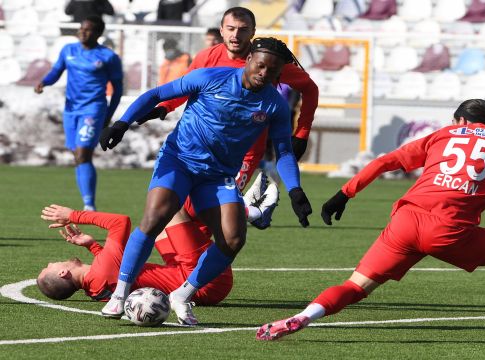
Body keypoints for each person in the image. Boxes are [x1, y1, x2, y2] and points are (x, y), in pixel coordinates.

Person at [256, 99, 485, 344]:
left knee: (356, 286)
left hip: (404, 221)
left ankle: (304, 316)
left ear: (460, 121)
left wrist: (344, 194)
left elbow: (387, 161)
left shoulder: (443, 134)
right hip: (448, 230)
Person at [98, 37, 313, 325]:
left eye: (273, 72)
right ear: (249, 59)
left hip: (218, 176)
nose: (264, 74)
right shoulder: (211, 78)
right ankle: (120, 294)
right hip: (179, 161)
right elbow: (157, 94)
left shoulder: (275, 105)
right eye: (261, 66)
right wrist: (123, 123)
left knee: (233, 239)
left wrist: (296, 190)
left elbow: (284, 152)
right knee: (154, 218)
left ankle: (182, 295)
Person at [137, 7, 319, 192]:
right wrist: (166, 106)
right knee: (187, 212)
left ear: (253, 32)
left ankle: (250, 209)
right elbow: (186, 88)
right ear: (222, 29)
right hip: (201, 150)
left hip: (244, 153)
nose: (236, 35)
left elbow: (310, 89)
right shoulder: (206, 57)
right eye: (231, 28)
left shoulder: (265, 60)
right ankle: (253, 210)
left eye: (243, 29)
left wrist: (302, 134)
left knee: (214, 213)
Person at [37, 204, 232, 305]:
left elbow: (114, 268)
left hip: (191, 281)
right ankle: (243, 209)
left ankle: (215, 215)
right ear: (63, 273)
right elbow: (120, 222)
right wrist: (74, 215)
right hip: (206, 276)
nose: (51, 262)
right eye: (49, 267)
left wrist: (92, 245)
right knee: (168, 206)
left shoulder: (94, 288)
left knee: (159, 226)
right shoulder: (103, 270)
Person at [35, 16, 123, 211]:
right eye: (81, 28)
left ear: (98, 34)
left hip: (93, 109)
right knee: (77, 155)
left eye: (88, 30)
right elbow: (56, 70)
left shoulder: (108, 57)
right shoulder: (69, 50)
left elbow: (117, 89)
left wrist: (109, 114)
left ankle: (89, 206)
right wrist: (45, 82)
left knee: (83, 154)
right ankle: (87, 200)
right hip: (71, 109)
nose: (83, 32)